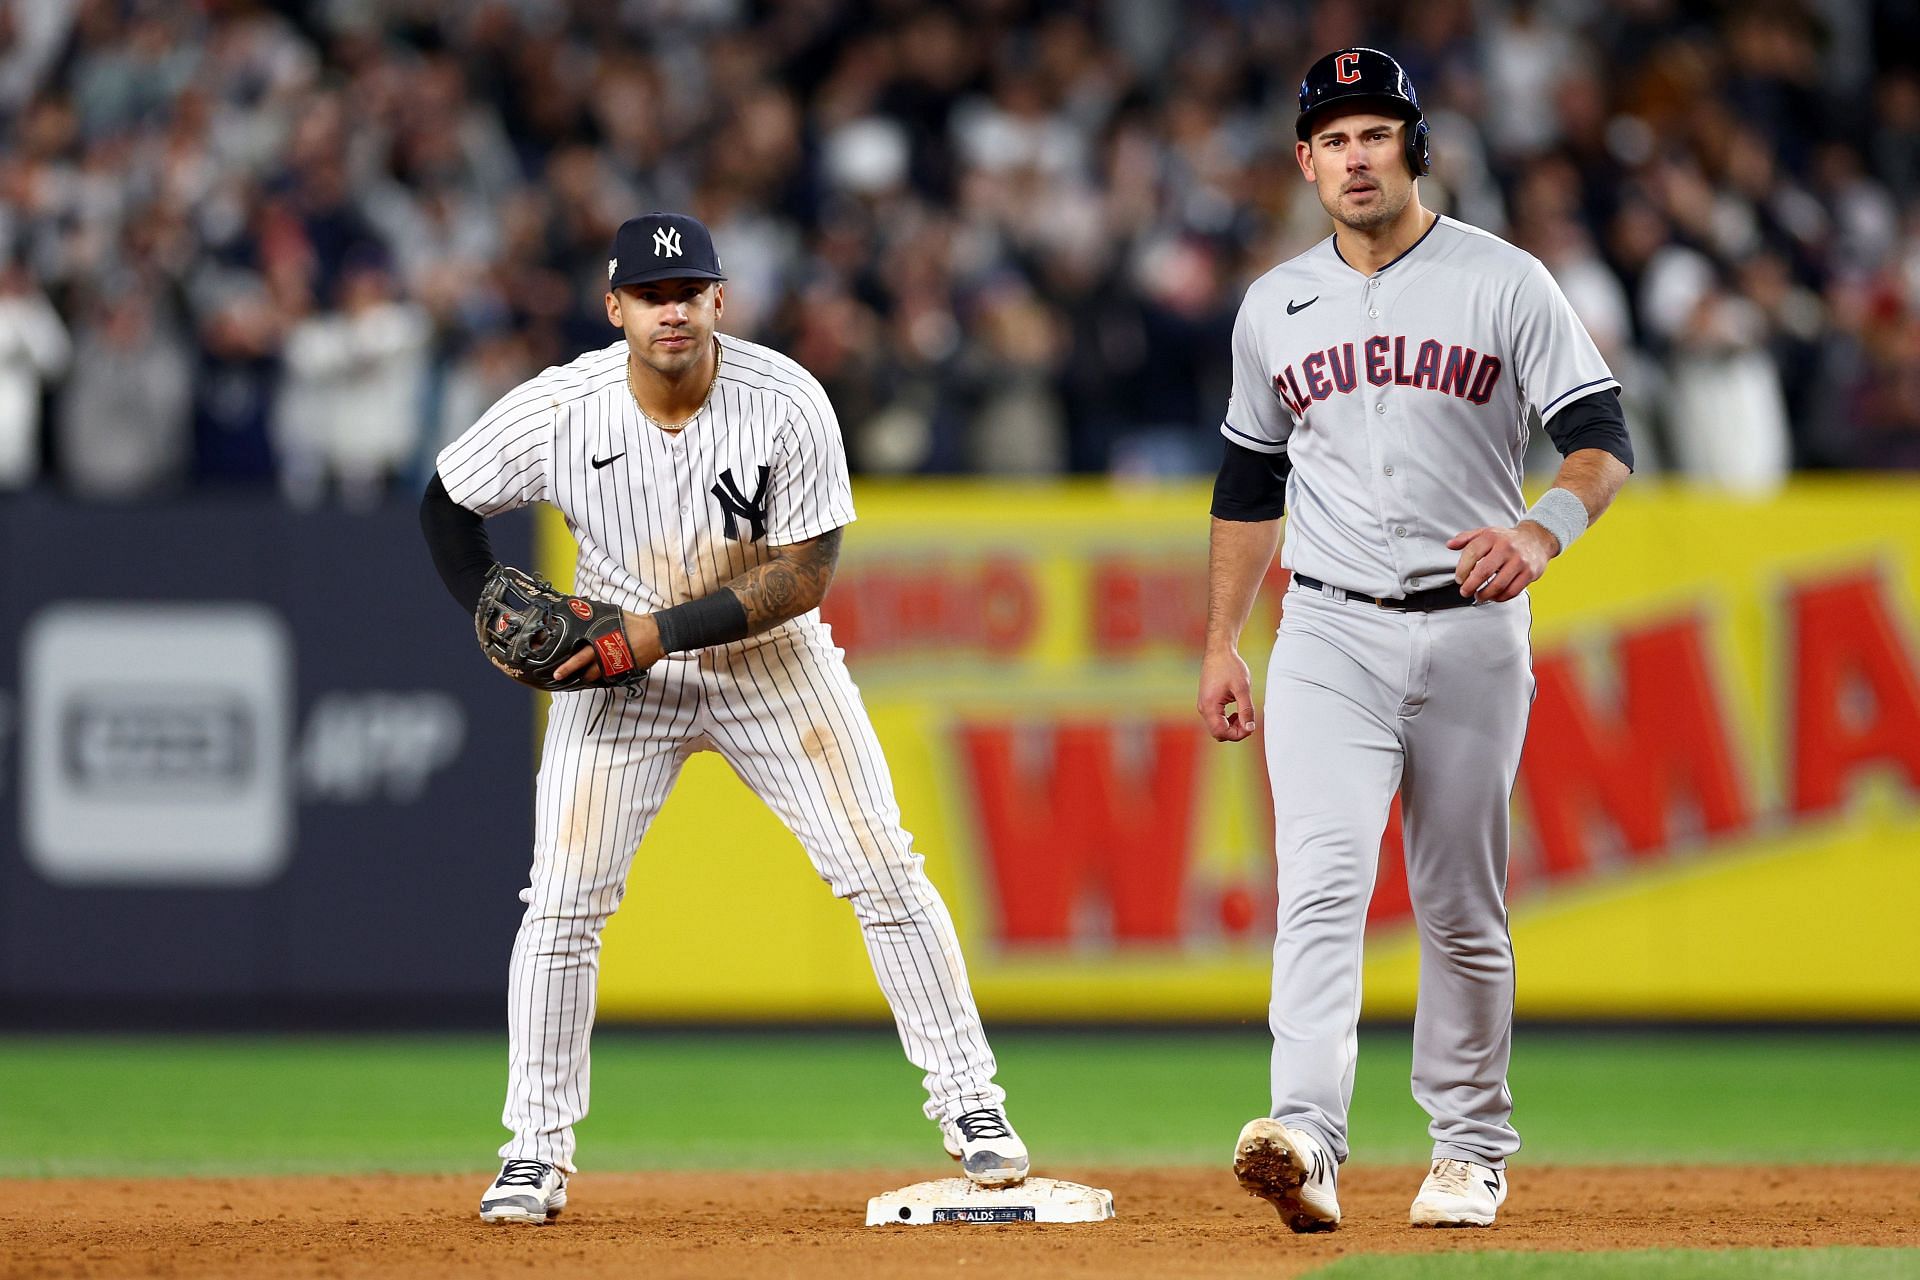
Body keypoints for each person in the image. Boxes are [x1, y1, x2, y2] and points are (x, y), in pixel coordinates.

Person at [420, 212, 1027, 1224]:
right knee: (564, 899)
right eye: (650, 295)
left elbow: (803, 576)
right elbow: (445, 502)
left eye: (688, 292)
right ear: (614, 307)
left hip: (764, 660)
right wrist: (487, 604)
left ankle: (973, 1104)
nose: (671, 311)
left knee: (881, 864)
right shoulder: (563, 407)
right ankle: (533, 1149)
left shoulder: (785, 398)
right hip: (617, 679)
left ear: (719, 300)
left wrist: (648, 634)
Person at [1196, 49, 1633, 1233]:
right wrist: (1223, 639)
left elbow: (1600, 440)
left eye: (1374, 133)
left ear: (1416, 145)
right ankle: (1307, 1134)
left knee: (1458, 903)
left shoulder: (1504, 281)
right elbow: (1248, 484)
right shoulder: (1275, 303)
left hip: (1473, 629)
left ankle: (1471, 1146)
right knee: (1323, 883)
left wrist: (1544, 531)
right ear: (1304, 162)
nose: (1354, 156)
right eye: (1332, 138)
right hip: (1327, 624)